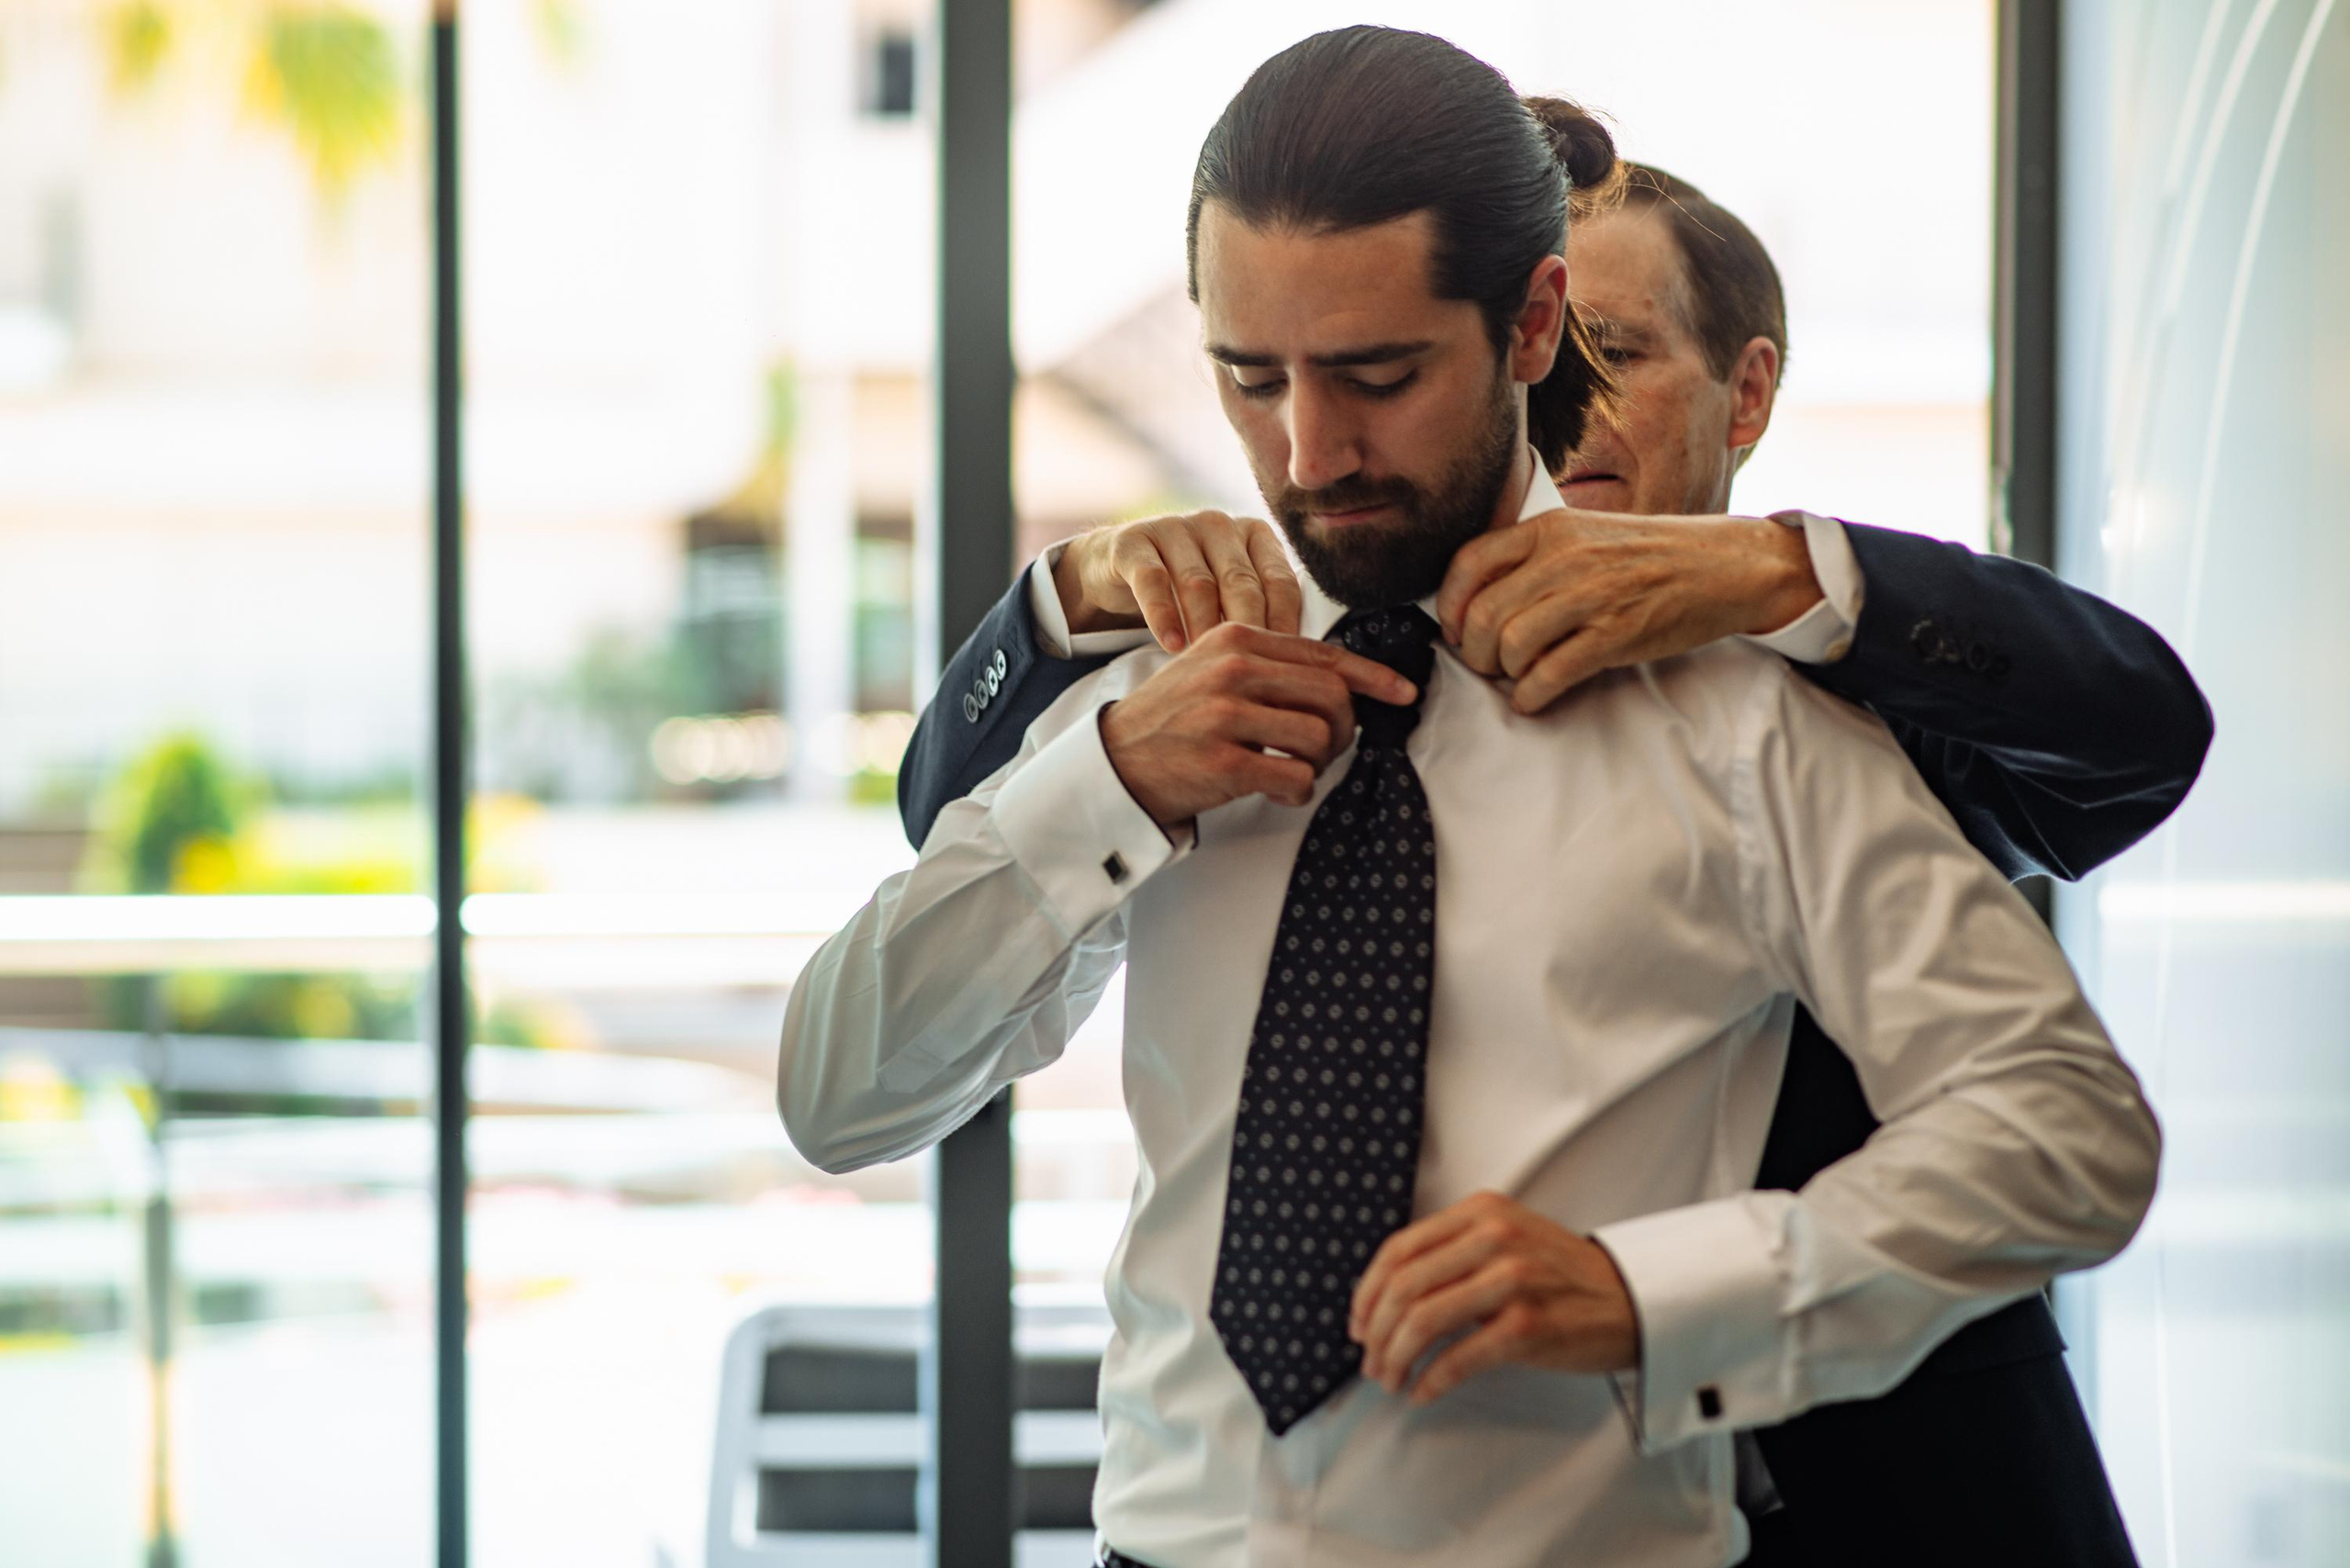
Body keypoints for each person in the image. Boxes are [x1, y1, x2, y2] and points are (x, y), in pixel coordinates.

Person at [784, 27, 2166, 1567]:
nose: (1309, 452)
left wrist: (1658, 1295)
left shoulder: (1739, 726)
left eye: (1377, 378)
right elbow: (838, 1099)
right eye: (1251, 379)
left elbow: (2071, 1128)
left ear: (1532, 328)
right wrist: (1099, 789)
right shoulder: (1156, 697)